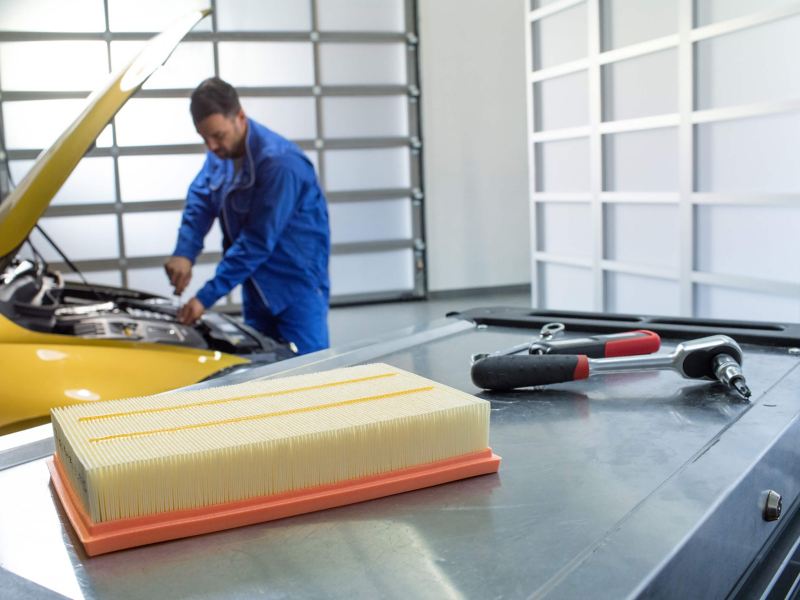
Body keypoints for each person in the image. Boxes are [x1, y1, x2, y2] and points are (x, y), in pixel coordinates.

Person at [165, 77, 330, 355]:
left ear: (240, 117)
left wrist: (205, 297)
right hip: (256, 288)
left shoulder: (281, 164)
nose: (212, 147)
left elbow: (256, 240)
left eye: (217, 135)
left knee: (309, 375)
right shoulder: (221, 154)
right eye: (204, 138)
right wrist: (184, 252)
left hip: (296, 289)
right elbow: (201, 198)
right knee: (261, 377)